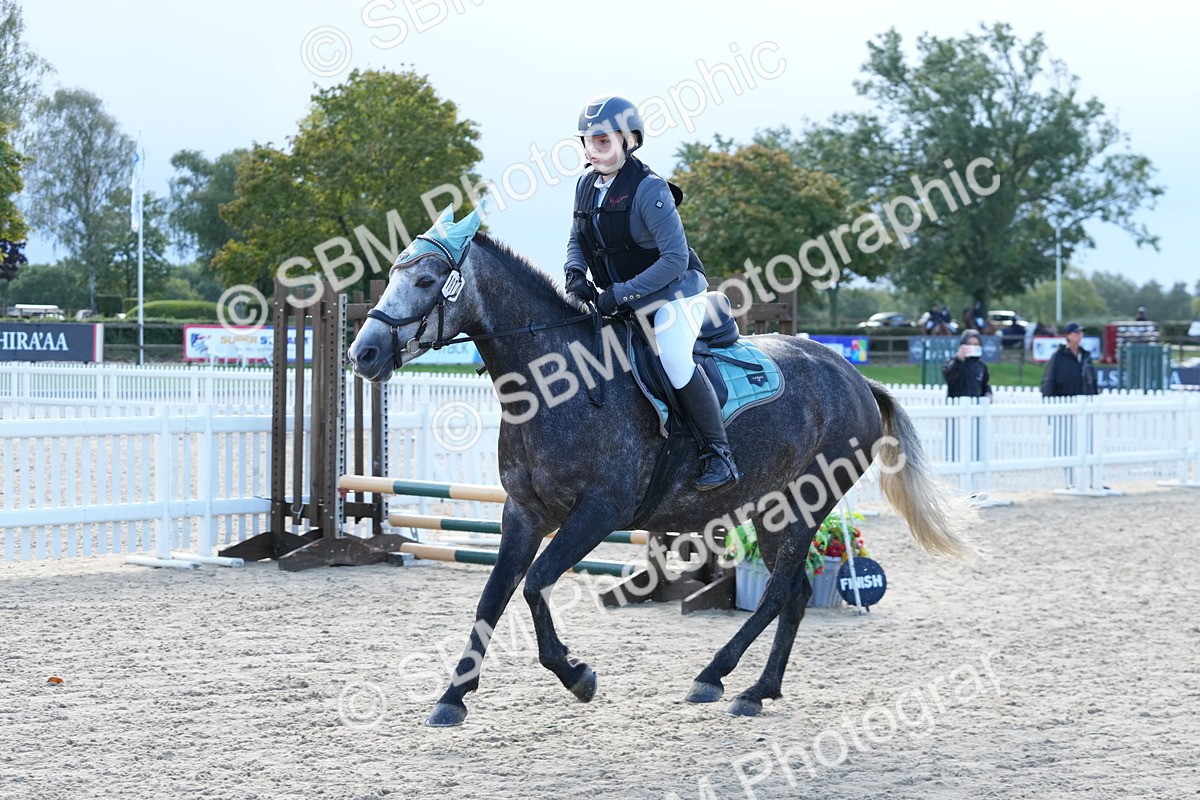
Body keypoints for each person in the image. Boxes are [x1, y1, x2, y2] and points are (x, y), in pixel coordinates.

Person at [562, 94, 740, 492]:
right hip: (627, 297)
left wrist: (620, 293)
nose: (594, 148)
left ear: (630, 140)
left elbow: (675, 259)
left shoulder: (648, 189)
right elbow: (578, 235)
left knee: (674, 358)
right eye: (588, 140)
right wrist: (574, 270)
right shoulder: (585, 186)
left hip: (677, 293)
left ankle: (719, 453)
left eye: (604, 140)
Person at [1040, 322, 1098, 397]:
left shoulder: (1085, 356)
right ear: (1068, 335)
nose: (1080, 335)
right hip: (1064, 400)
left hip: (1084, 401)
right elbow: (1049, 379)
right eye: (1076, 333)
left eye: (1081, 333)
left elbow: (1092, 378)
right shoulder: (1058, 356)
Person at [942, 329, 992, 399]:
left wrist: (988, 393)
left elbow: (985, 385)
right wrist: (958, 360)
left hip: (975, 406)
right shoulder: (953, 361)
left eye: (975, 344)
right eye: (969, 344)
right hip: (956, 405)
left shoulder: (981, 366)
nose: (972, 347)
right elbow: (948, 375)